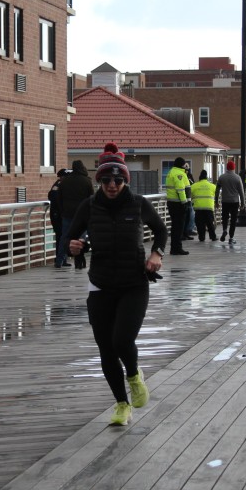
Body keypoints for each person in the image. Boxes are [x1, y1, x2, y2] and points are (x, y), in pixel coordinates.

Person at [67, 142, 167, 426]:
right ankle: (122, 404)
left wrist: (156, 254)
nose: (112, 185)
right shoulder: (89, 206)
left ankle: (134, 375)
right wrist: (75, 247)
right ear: (99, 181)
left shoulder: (138, 204)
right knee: (106, 348)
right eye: (107, 180)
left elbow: (161, 230)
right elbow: (70, 238)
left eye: (118, 180)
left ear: (126, 181)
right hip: (101, 285)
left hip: (134, 283)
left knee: (122, 340)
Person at [54, 160, 94, 268]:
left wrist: (62, 211)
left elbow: (59, 198)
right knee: (81, 238)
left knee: (65, 237)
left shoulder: (65, 181)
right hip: (82, 215)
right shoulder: (87, 181)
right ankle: (79, 262)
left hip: (67, 214)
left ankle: (59, 260)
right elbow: (91, 198)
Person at [163, 157, 191, 255]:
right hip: (178, 204)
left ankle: (174, 248)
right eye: (184, 164)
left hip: (171, 203)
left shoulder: (171, 172)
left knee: (175, 226)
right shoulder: (179, 174)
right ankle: (177, 248)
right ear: (181, 164)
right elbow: (181, 189)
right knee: (179, 227)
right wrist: (185, 203)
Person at [215, 161, 246, 245]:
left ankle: (224, 230)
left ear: (227, 167)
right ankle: (231, 238)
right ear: (234, 168)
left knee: (225, 217)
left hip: (225, 201)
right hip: (234, 201)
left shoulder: (221, 177)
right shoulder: (237, 178)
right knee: (233, 220)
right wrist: (243, 203)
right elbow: (241, 192)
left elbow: (217, 190)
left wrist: (216, 201)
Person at [190, 169, 217, 242]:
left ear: (200, 177)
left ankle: (201, 237)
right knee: (210, 223)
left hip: (198, 208)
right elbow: (216, 194)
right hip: (209, 208)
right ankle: (213, 236)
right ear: (206, 177)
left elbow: (190, 196)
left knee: (200, 223)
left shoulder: (194, 186)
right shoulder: (213, 186)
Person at [47, 168, 69, 250]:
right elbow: (52, 196)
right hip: (57, 214)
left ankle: (63, 256)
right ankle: (60, 256)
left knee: (63, 235)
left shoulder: (63, 185)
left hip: (60, 213)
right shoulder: (58, 185)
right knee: (60, 235)